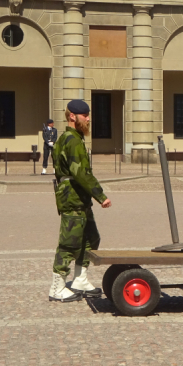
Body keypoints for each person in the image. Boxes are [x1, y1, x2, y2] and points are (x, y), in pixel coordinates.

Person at [49, 100, 112, 302]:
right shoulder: (71, 140)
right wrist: (100, 195)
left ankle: (80, 280)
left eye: (88, 114)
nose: (89, 118)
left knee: (91, 238)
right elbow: (80, 173)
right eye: (85, 115)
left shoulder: (73, 138)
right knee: (69, 243)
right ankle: (57, 288)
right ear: (72, 117)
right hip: (73, 197)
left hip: (80, 198)